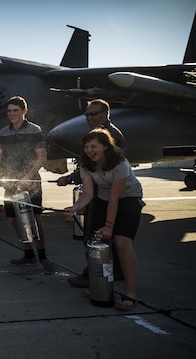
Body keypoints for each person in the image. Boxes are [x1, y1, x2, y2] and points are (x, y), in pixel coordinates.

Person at [64, 129, 143, 311]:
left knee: (122, 243)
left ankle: (130, 292)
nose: (90, 151)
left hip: (128, 198)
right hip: (104, 199)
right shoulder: (86, 165)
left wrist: (109, 226)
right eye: (86, 147)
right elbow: (88, 193)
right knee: (98, 244)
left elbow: (116, 199)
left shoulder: (120, 163)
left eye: (94, 146)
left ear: (106, 147)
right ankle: (100, 287)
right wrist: (75, 207)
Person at [57, 99, 126, 287]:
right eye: (86, 114)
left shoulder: (110, 135)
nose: (88, 118)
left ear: (106, 114)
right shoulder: (101, 133)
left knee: (93, 236)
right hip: (97, 191)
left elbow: (99, 166)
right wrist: (72, 177)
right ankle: (115, 271)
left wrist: (71, 178)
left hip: (103, 194)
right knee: (102, 236)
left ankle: (92, 275)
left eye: (93, 114)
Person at [0, 96, 55, 274]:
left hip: (30, 181)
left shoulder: (34, 130)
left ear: (24, 111)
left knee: (36, 218)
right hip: (10, 180)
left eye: (15, 110)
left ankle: (42, 256)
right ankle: (28, 254)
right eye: (9, 111)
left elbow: (41, 156)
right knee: (12, 219)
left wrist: (27, 177)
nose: (12, 114)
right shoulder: (3, 132)